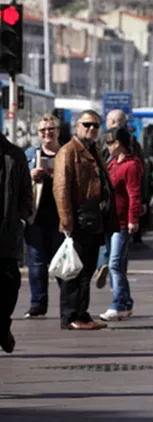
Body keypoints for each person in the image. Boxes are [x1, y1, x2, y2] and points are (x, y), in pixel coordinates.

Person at [53, 110, 117, 330]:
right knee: (74, 269)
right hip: (79, 217)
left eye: (96, 126)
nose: (91, 129)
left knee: (87, 268)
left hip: (93, 217)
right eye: (87, 125)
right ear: (77, 126)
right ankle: (71, 316)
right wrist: (67, 222)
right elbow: (61, 189)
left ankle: (82, 313)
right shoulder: (69, 151)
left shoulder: (93, 149)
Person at [23, 114, 66, 319]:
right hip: (36, 216)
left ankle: (68, 304)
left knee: (62, 263)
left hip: (61, 216)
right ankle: (37, 304)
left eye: (51, 129)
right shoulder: (31, 154)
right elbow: (18, 181)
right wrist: (30, 175)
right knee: (36, 263)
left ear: (58, 131)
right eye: (43, 130)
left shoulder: (67, 153)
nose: (47, 133)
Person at [98, 127, 143, 321]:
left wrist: (133, 220)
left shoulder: (130, 166)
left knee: (115, 264)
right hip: (111, 220)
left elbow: (134, 194)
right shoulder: (112, 164)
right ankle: (125, 302)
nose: (108, 147)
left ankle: (117, 303)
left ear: (119, 144)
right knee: (118, 265)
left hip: (122, 222)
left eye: (110, 143)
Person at [0, 132, 33, 352]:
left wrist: (22, 217)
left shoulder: (15, 155)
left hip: (7, 232)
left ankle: (2, 325)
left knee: (10, 285)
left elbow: (25, 192)